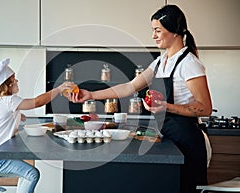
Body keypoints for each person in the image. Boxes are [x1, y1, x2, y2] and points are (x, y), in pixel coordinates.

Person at [69, 4, 212, 193]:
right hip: (170, 136)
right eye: (153, 30)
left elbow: (205, 108)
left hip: (188, 139)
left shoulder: (190, 64)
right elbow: (129, 87)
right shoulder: (161, 62)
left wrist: (165, 106)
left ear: (175, 31)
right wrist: (92, 95)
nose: (153, 36)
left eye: (157, 30)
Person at [0, 58, 74, 193]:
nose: (17, 81)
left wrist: (17, 115)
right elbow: (38, 102)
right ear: (7, 85)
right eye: (14, 79)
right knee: (32, 174)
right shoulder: (9, 101)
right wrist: (58, 89)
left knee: (28, 174)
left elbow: (1, 118)